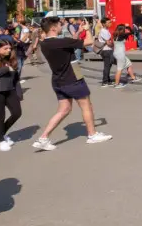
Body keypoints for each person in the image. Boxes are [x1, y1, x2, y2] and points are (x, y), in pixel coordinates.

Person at [33, 16, 112, 151]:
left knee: (64, 110)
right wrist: (87, 30)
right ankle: (92, 135)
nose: (61, 27)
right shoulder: (62, 41)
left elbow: (70, 43)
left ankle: (43, 138)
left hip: (58, 79)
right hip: (73, 77)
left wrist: (78, 32)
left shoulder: (45, 43)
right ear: (53, 28)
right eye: (59, 25)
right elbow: (89, 42)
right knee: (86, 105)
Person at [96, 18, 115, 87]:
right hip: (106, 50)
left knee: (108, 66)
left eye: (110, 22)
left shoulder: (106, 30)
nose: (110, 24)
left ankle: (107, 80)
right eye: (108, 22)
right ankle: (105, 81)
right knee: (107, 66)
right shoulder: (104, 31)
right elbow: (108, 42)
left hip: (107, 50)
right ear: (104, 24)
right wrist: (114, 45)